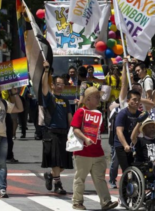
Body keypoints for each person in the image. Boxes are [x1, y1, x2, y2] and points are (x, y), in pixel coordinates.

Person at [70, 87, 118, 210]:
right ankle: (77, 202)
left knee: (100, 178)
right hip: (82, 152)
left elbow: (99, 131)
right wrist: (85, 138)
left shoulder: (99, 114)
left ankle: (106, 202)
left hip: (97, 151)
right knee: (80, 178)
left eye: (98, 96)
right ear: (88, 99)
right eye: (96, 96)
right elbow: (75, 129)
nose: (99, 99)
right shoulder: (81, 111)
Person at [0, 81, 23, 198]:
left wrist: (15, 94)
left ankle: (2, 189)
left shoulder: (4, 103)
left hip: (2, 138)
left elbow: (19, 108)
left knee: (1, 164)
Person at [41, 61, 73, 195]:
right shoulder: (49, 97)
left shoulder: (65, 100)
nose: (60, 86)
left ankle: (50, 175)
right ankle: (57, 184)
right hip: (52, 133)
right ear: (53, 85)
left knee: (63, 164)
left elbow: (70, 117)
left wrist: (72, 132)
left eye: (62, 84)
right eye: (58, 84)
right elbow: (43, 86)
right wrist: (46, 71)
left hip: (64, 133)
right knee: (55, 161)